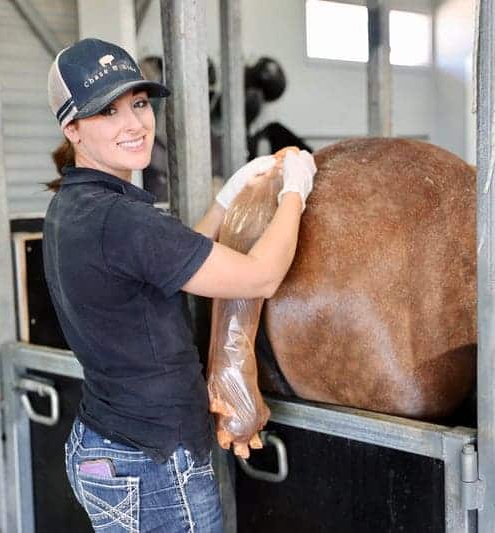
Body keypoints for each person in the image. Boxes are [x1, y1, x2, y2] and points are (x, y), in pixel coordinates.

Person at [43, 38, 316, 533]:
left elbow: (165, 262)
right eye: (108, 111)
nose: (134, 124)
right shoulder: (122, 220)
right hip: (153, 468)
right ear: (73, 129)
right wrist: (295, 190)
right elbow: (262, 275)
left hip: (105, 444)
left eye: (139, 104)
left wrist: (225, 201)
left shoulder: (74, 205)